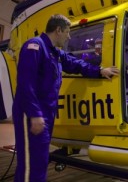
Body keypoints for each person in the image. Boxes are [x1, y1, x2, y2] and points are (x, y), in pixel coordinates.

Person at [12, 14, 119, 182]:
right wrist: (35, 114)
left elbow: (76, 64)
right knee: (31, 163)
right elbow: (26, 84)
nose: (69, 36)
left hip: (45, 114)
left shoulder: (55, 53)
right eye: (68, 32)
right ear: (58, 30)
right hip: (31, 114)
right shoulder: (34, 47)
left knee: (39, 161)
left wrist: (99, 71)